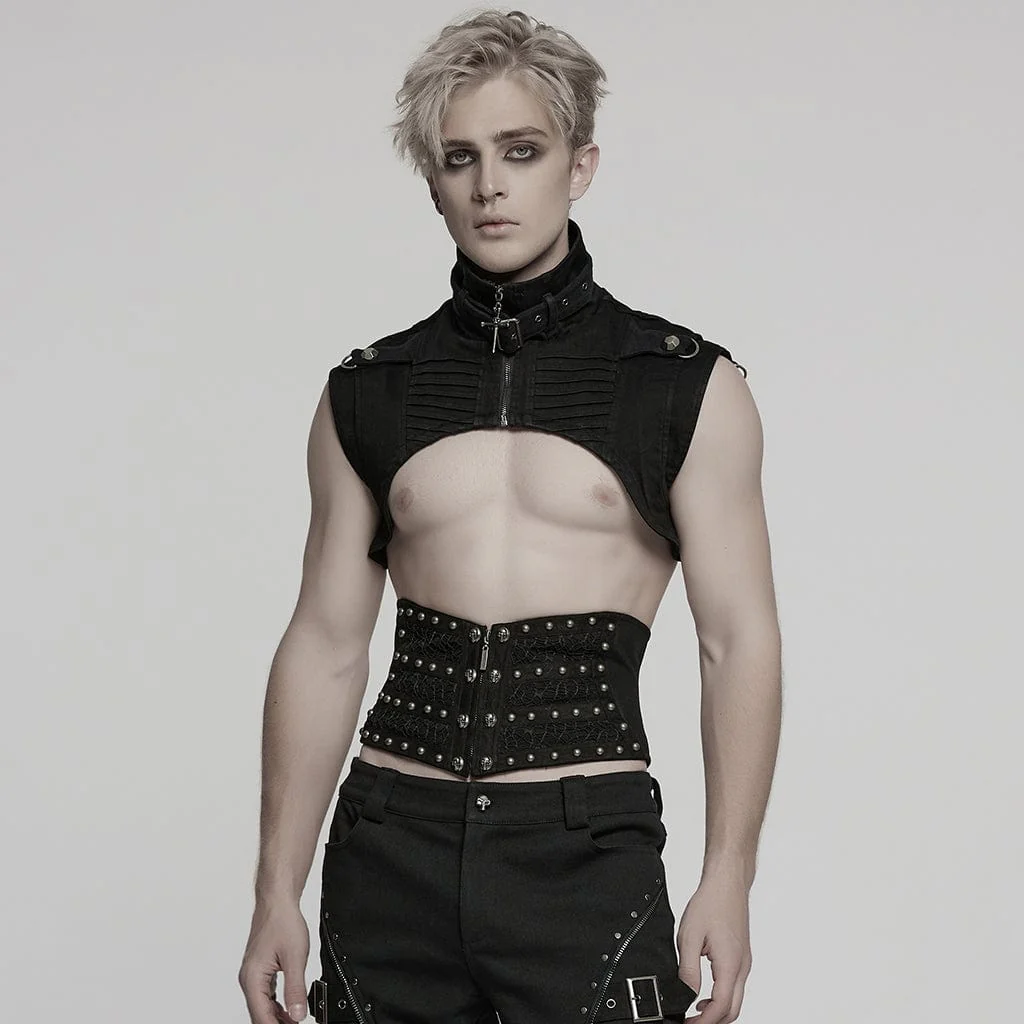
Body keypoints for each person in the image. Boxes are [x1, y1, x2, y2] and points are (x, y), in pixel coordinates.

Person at [239, 10, 782, 1024]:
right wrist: (276, 887)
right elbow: (324, 644)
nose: (489, 185)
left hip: (583, 854)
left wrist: (730, 873)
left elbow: (736, 639)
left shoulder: (682, 385)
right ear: (433, 181)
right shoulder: (368, 390)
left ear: (580, 166)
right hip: (388, 845)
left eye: (521, 151)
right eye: (460, 158)